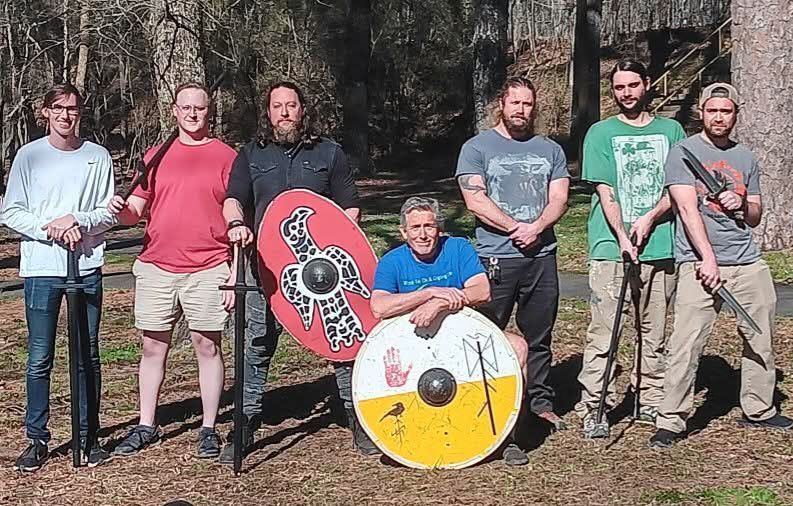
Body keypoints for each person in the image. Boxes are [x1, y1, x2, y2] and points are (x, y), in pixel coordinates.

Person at [222, 81, 376, 461]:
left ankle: (357, 414)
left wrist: (334, 248)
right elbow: (233, 200)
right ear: (268, 112)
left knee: (342, 344)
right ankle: (244, 422)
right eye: (277, 106)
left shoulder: (329, 153)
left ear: (302, 109)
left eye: (291, 105)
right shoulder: (251, 154)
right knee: (255, 344)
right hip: (265, 272)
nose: (285, 112)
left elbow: (349, 209)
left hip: (324, 275)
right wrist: (236, 224)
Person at [650, 83, 793, 448]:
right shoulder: (683, 153)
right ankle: (671, 420)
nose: (718, 117)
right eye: (712, 110)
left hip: (747, 261)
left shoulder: (746, 156)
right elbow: (685, 208)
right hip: (698, 264)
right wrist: (707, 259)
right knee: (686, 342)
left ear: (735, 115)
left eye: (725, 111)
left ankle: (759, 408)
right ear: (701, 112)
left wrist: (741, 203)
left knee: (760, 336)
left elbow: (756, 215)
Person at [107, 83, 236, 459]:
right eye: (186, 107)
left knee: (207, 345)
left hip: (210, 265)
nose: (193, 114)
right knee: (152, 346)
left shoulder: (226, 156)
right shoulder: (157, 154)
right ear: (175, 111)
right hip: (157, 266)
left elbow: (238, 214)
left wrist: (233, 273)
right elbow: (135, 211)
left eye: (199, 108)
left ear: (208, 111)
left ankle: (209, 428)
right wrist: (120, 210)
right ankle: (146, 424)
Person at [2, 83, 116, 471]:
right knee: (39, 356)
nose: (67, 115)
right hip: (42, 269)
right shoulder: (29, 156)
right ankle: (37, 438)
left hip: (84, 266)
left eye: (73, 109)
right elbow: (11, 211)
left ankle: (89, 436)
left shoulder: (97, 156)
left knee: (88, 354)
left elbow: (108, 213)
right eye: (59, 108)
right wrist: (49, 227)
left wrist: (78, 221)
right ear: (46, 112)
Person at [370, 196, 530, 465]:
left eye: (429, 226)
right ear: (404, 233)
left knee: (518, 347)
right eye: (415, 228)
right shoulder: (392, 261)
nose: (423, 234)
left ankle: (507, 437)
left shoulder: (458, 249)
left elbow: (482, 290)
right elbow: (379, 306)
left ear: (439, 229)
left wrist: (440, 303)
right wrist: (429, 293)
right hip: (416, 345)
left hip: (461, 337)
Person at [456, 76, 571, 434]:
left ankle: (538, 402)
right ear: (501, 105)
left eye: (528, 104)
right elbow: (474, 200)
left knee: (539, 335)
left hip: (541, 256)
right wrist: (514, 228)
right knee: (486, 334)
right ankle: (481, 400)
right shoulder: (476, 148)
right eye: (516, 103)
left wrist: (535, 228)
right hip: (497, 257)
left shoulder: (549, 149)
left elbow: (560, 198)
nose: (522, 110)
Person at [576, 60, 685, 438]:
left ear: (647, 85)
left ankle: (650, 396)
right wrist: (623, 236)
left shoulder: (671, 130)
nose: (627, 93)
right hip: (612, 249)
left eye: (633, 85)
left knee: (654, 331)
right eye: (619, 87)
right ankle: (595, 404)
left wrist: (651, 218)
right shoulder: (600, 133)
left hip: (660, 246)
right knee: (605, 331)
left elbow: (678, 188)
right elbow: (606, 192)